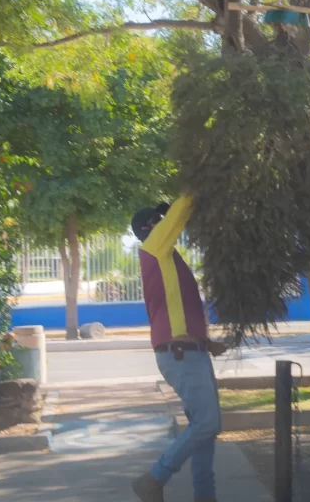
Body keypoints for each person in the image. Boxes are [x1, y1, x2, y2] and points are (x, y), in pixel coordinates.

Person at [130, 195, 226, 502]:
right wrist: (197, 187)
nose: (165, 222)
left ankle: (205, 496)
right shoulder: (154, 247)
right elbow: (184, 207)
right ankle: (155, 478)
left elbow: (178, 311)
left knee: (205, 431)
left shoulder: (170, 259)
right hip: (180, 354)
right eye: (159, 220)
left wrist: (207, 343)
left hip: (191, 351)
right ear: (150, 227)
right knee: (209, 423)